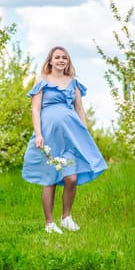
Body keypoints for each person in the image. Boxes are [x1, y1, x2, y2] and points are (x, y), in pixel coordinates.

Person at [22, 46, 107, 234]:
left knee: (71, 177)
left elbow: (79, 108)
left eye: (64, 58)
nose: (61, 60)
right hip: (49, 136)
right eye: (57, 57)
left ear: (68, 62)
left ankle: (66, 217)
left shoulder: (73, 83)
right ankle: (49, 223)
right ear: (50, 61)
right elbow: (35, 109)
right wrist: (39, 134)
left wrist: (84, 133)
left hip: (71, 136)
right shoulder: (42, 80)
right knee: (50, 178)